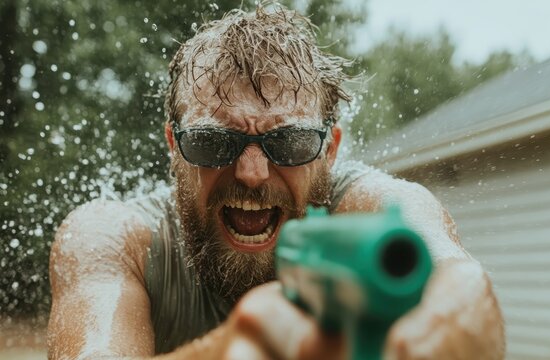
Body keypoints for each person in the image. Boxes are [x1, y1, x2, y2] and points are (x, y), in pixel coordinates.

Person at [47, 4, 505, 359]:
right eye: (211, 142)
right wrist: (232, 348)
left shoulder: (371, 208)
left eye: (290, 142)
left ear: (330, 148)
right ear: (174, 146)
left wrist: (429, 338)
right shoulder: (115, 237)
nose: (252, 172)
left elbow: (465, 292)